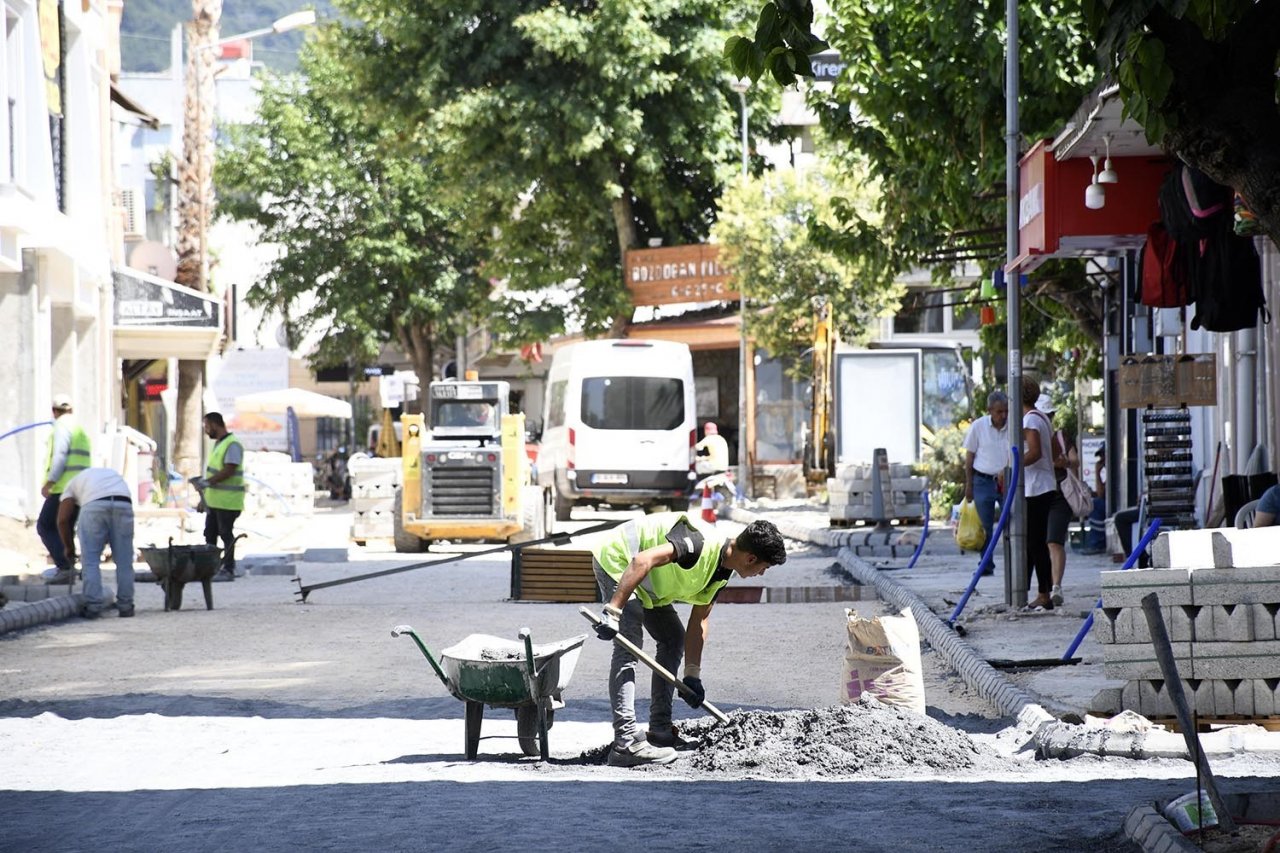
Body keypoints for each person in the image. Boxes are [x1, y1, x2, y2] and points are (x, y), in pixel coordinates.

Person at [591, 513, 787, 767]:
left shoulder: (723, 571)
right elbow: (642, 559)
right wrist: (613, 612)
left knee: (673, 639)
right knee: (629, 645)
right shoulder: (698, 543)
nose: (761, 573)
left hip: (647, 584)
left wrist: (692, 675)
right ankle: (625, 743)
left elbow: (699, 621)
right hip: (620, 562)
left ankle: (660, 732)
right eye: (764, 567)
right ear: (751, 558)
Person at [56, 467, 135, 618]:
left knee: (90, 560)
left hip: (94, 505)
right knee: (124, 560)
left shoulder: (70, 487)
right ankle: (126, 606)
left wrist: (68, 548)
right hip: (123, 502)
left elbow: (62, 520)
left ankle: (93, 606)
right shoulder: (104, 475)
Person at [39, 394, 92, 584]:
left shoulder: (61, 426)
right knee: (66, 527)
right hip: (81, 486)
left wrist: (50, 482)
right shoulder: (80, 429)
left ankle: (64, 568)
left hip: (64, 487)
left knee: (45, 525)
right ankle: (68, 568)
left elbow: (60, 456)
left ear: (54, 412)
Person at [1020, 379, 1062, 612]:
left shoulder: (1030, 419)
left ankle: (1043, 593)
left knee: (1035, 543)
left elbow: (1035, 452)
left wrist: (1013, 465)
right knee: (1033, 542)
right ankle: (1032, 590)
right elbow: (1055, 451)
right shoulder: (1043, 418)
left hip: (1035, 487)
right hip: (1045, 483)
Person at [961, 391, 1010, 570]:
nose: (1003, 415)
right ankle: (986, 563)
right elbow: (969, 457)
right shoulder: (978, 426)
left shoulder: (1013, 426)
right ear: (990, 410)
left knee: (1011, 522)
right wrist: (969, 485)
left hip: (1008, 481)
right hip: (983, 480)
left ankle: (1013, 563)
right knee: (985, 524)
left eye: (1006, 411)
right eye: (999, 412)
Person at [1041, 394, 1079, 607]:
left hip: (1059, 495)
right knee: (1041, 544)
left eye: (1048, 415)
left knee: (1054, 541)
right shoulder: (1026, 435)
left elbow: (1074, 461)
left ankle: (1056, 586)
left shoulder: (1061, 438)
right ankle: (1043, 588)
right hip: (1037, 495)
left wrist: (1059, 462)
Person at [198, 412, 244, 582]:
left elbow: (229, 469)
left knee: (225, 533)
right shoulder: (219, 444)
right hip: (216, 501)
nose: (206, 430)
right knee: (210, 533)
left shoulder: (232, 444)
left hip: (229, 501)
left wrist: (207, 482)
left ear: (215, 425)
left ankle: (229, 568)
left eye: (207, 426)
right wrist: (204, 499)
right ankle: (213, 567)